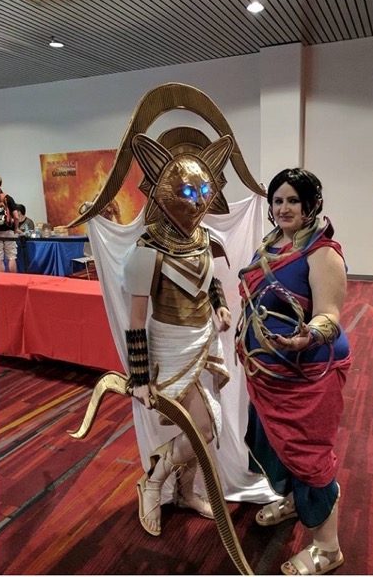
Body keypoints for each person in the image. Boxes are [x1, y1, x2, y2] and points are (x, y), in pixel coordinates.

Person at [235, 168, 351, 575]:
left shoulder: (322, 252)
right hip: (266, 374)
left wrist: (308, 336)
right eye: (277, 200)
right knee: (276, 446)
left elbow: (330, 315)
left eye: (292, 201)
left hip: (305, 376)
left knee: (308, 454)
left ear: (311, 205)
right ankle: (291, 500)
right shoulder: (271, 244)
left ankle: (327, 547)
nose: (283, 208)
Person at [122, 131, 235, 537]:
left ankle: (185, 492)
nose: (197, 200)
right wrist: (139, 377)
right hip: (169, 347)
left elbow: (209, 280)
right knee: (201, 428)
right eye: (187, 190)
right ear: (162, 190)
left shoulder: (205, 238)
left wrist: (220, 304)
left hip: (207, 340)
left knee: (201, 426)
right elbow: (136, 319)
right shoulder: (147, 249)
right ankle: (154, 477)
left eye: (204, 190)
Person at [0, 174, 20, 272]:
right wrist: (15, 229)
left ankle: (1, 279)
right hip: (8, 230)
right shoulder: (8, 198)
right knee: (11, 256)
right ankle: (14, 278)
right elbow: (16, 216)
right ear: (1, 184)